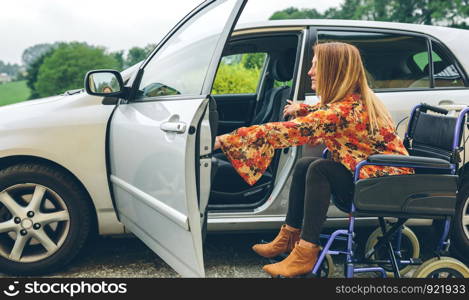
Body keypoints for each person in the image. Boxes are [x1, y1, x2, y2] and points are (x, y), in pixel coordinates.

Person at [213, 42, 413, 278]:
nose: (310, 72)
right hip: (372, 176)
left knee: (320, 169)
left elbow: (285, 131)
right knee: (305, 164)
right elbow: (324, 112)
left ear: (333, 71)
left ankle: (306, 251)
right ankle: (290, 237)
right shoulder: (350, 102)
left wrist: (225, 140)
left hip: (385, 185)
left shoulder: (344, 112)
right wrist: (303, 109)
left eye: (315, 66)